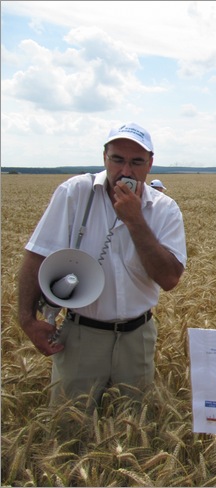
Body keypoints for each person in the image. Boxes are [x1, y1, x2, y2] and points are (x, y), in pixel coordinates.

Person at [17, 122, 187, 407]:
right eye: (117, 160)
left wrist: (135, 220)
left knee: (132, 423)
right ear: (104, 158)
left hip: (137, 336)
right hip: (81, 334)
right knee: (69, 426)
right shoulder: (74, 193)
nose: (126, 171)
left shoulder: (164, 209)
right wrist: (26, 320)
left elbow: (169, 278)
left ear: (150, 164)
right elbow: (38, 255)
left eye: (136, 162)